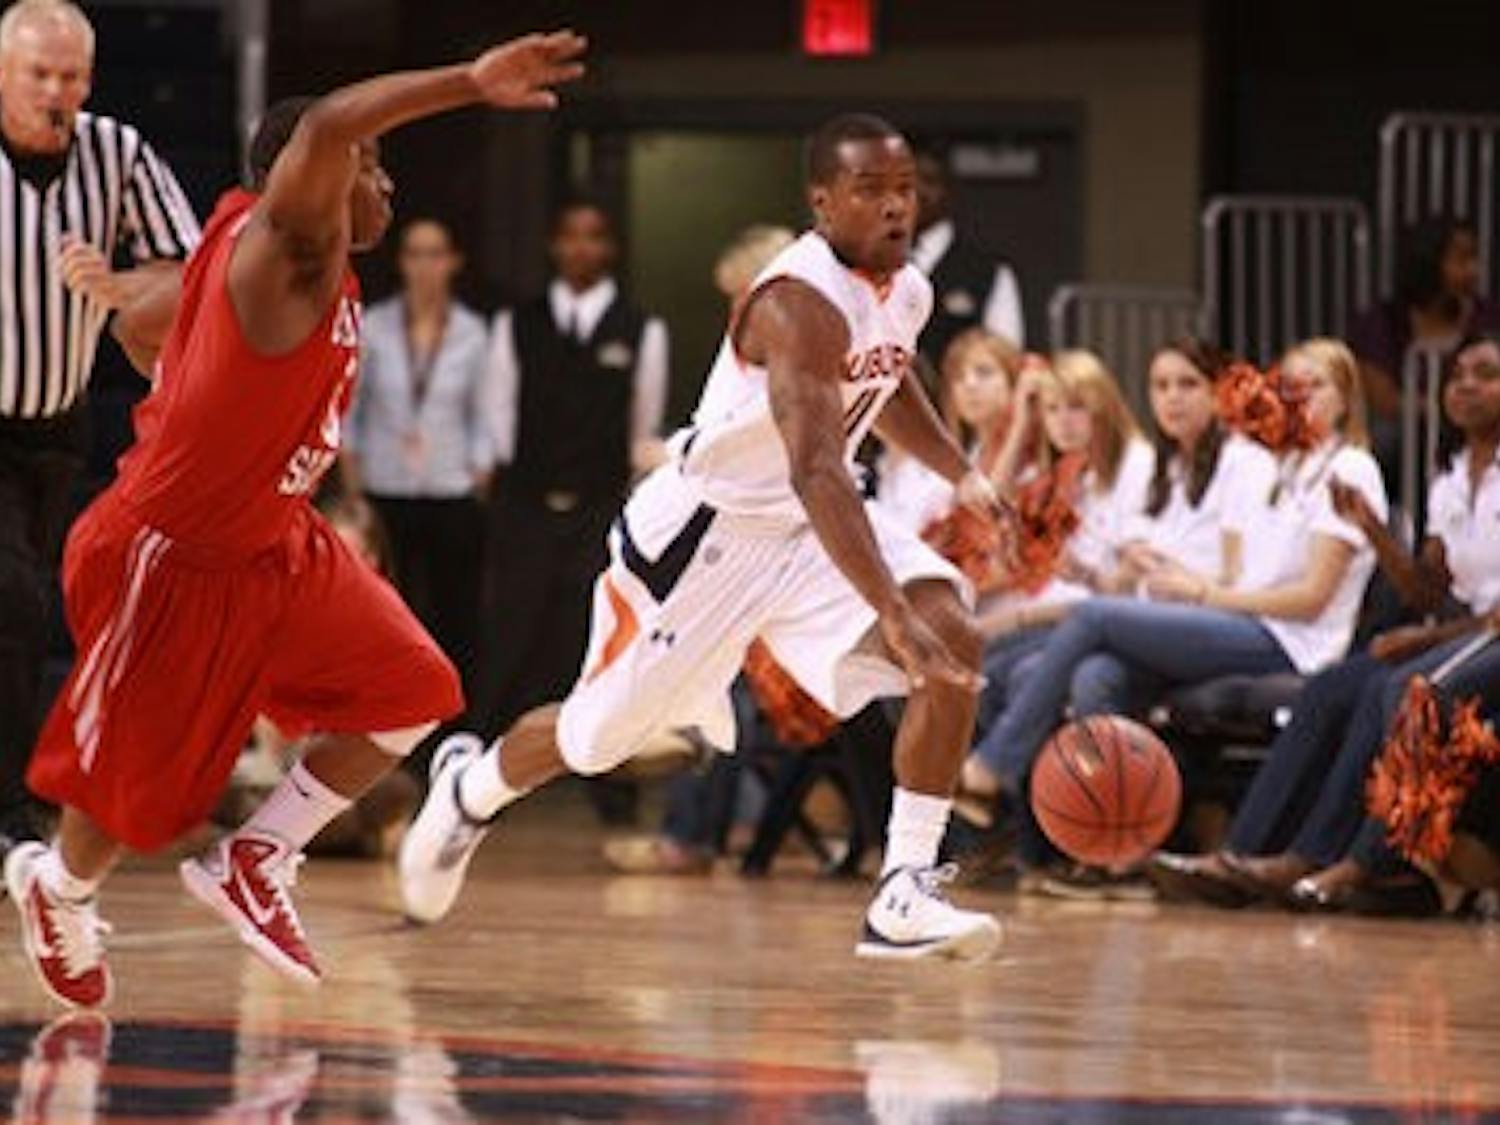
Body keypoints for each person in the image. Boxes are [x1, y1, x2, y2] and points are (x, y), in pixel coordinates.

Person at [3, 30, 587, 1009]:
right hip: (174, 548)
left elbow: (156, 324)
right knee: (127, 795)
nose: (388, 191)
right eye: (374, 170)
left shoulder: (265, 258)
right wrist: (467, 80)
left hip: (276, 538)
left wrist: (185, 358)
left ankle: (259, 854)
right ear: (307, 182)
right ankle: (56, 890)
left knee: (416, 690)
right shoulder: (288, 243)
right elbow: (324, 124)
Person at [401, 113, 1011, 961]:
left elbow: (891, 372)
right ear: (822, 201)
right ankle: (470, 786)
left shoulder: (903, 287)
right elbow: (817, 469)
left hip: (807, 532)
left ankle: (902, 887)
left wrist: (964, 475)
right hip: (708, 539)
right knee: (596, 737)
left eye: (905, 188)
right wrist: (885, 607)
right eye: (871, 190)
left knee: (952, 634)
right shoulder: (796, 303)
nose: (895, 206)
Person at [1150, 331, 1500, 912]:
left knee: (1411, 691)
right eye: (1456, 375)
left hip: (1483, 636)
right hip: (1464, 632)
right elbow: (1425, 588)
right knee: (1335, 689)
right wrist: (1372, 527)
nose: (1464, 385)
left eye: (1484, 374)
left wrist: (1428, 636)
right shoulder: (1451, 479)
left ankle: (1363, 865)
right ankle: (1246, 856)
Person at [0, 0, 200, 848]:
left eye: (71, 76)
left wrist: (119, 290)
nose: (57, 92)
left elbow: (188, 274)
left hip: (57, 422)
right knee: (9, 598)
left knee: (28, 609)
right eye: (39, 75)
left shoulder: (117, 153)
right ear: (3, 74)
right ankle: (10, 815)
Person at [475, 198, 668, 821]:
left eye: (594, 236)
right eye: (570, 235)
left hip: (599, 510)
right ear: (555, 245)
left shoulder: (641, 328)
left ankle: (614, 793)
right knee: (508, 640)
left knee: (600, 648)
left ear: (610, 248)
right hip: (527, 506)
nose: (582, 248)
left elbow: (644, 424)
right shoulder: (517, 323)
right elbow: (499, 415)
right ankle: (475, 783)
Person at [347, 216, 491, 695]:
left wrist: (479, 474)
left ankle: (449, 717)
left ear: (452, 262)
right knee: (387, 610)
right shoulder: (375, 326)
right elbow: (352, 414)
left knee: (454, 612)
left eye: (435, 254)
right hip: (386, 488)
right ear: (402, 262)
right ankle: (385, 713)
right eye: (414, 253)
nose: (425, 265)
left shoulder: (473, 333)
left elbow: (485, 413)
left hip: (451, 488)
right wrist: (355, 494)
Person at [1348, 217, 1500, 491]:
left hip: (1473, 426)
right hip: (1408, 430)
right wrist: (1444, 408)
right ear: (1430, 262)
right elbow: (1383, 399)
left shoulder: (1487, 318)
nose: (1474, 270)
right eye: (1462, 260)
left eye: (1474, 259)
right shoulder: (1383, 321)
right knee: (1382, 440)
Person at [910, 149, 1025, 376]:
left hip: (961, 405)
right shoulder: (873, 263)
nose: (918, 192)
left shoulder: (989, 270)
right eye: (907, 184)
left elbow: (1006, 358)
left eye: (929, 181)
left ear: (950, 190)